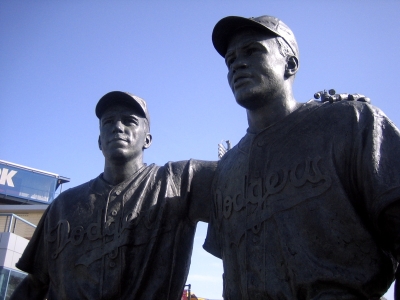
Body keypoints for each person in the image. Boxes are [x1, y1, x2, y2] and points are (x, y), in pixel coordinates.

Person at [203, 15, 400, 299]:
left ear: (290, 64)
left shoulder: (350, 122)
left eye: (253, 51)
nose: (237, 63)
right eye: (230, 58)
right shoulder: (226, 171)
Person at [11, 91, 216, 299]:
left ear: (148, 139)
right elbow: (34, 283)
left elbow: (241, 173)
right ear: (100, 141)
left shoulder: (178, 182)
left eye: (129, 121)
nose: (118, 127)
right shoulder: (63, 205)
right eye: (108, 122)